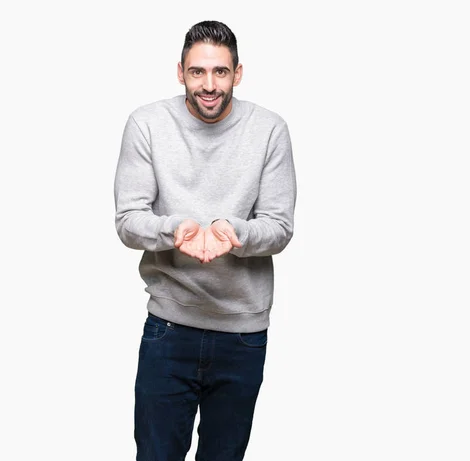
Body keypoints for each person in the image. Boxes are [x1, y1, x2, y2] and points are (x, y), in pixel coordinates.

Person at [113, 20, 296, 461]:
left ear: (237, 73)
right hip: (168, 329)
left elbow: (279, 226)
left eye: (220, 72)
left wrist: (236, 234)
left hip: (243, 333)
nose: (209, 85)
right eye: (198, 72)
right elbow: (128, 219)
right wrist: (175, 231)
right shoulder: (147, 123)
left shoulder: (269, 129)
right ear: (181, 73)